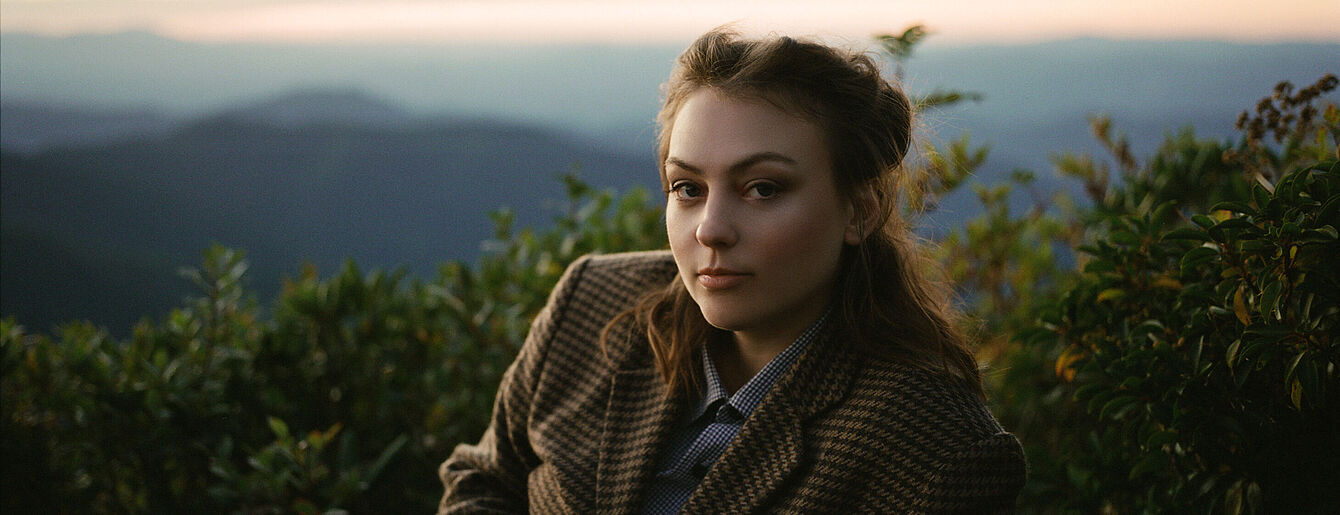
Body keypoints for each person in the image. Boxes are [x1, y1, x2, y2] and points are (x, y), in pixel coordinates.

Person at [439, 28, 1027, 514]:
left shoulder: (935, 449)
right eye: (688, 188)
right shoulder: (591, 300)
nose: (710, 229)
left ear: (859, 211)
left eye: (763, 189)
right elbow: (486, 481)